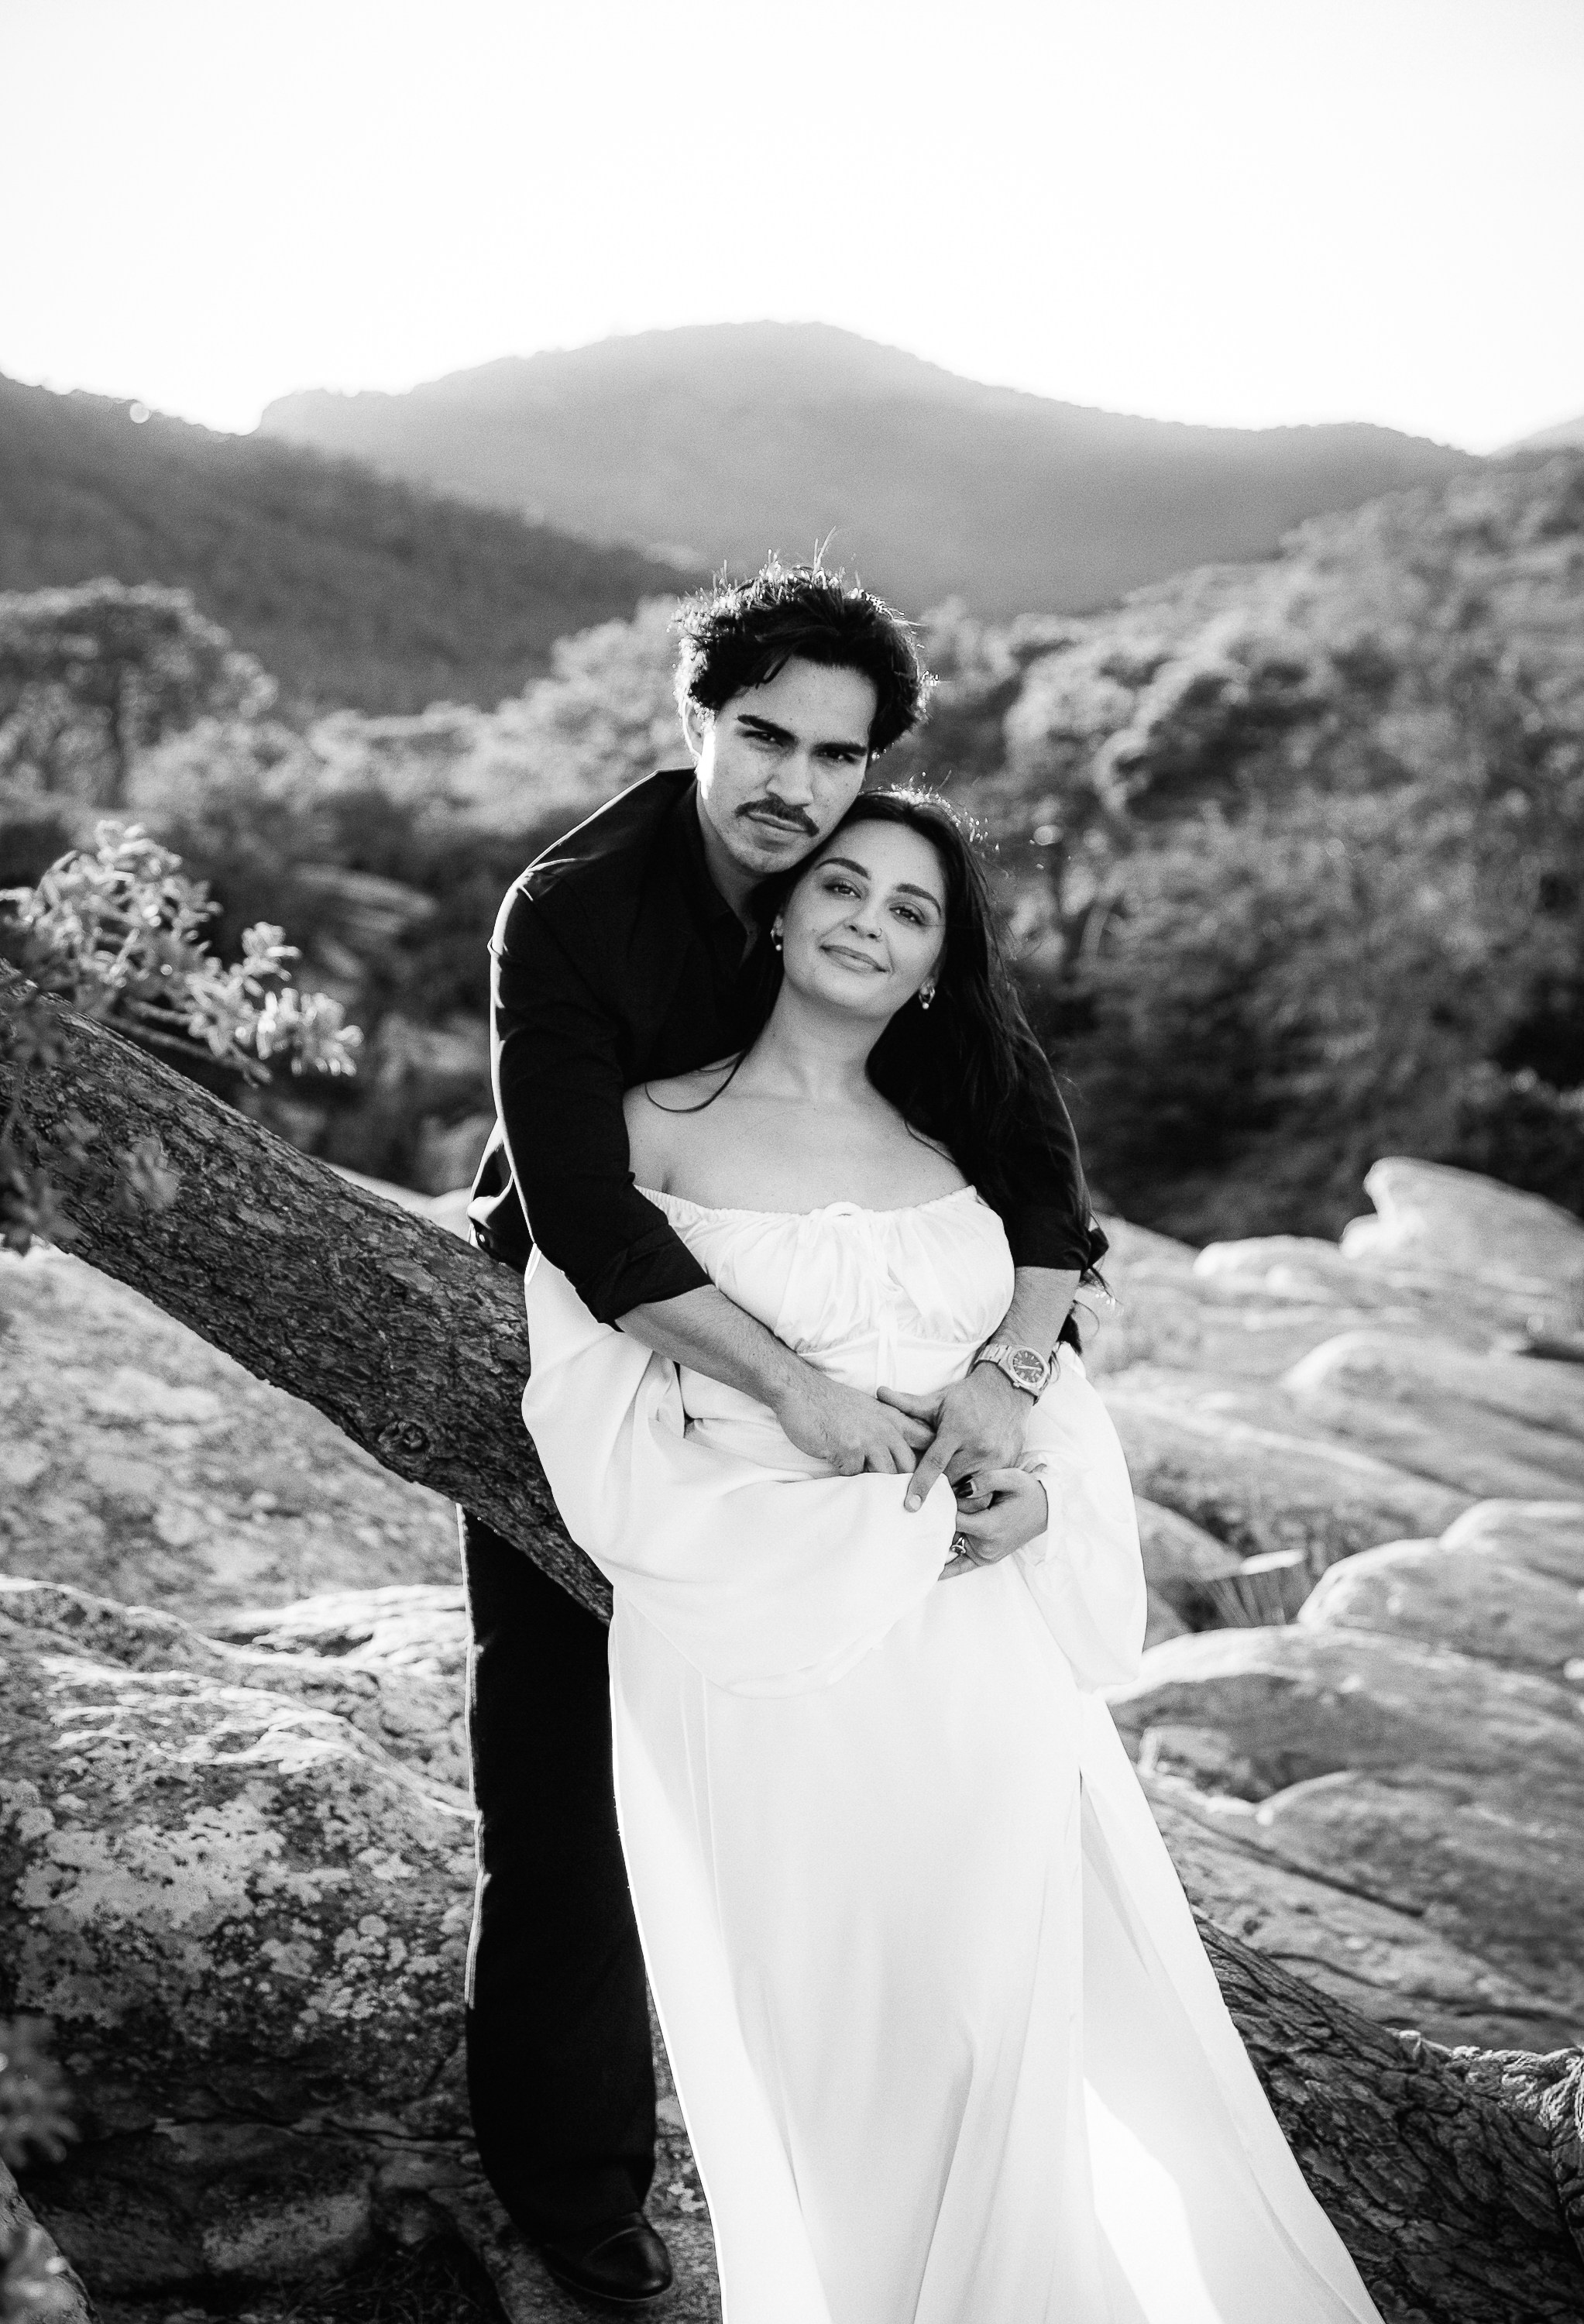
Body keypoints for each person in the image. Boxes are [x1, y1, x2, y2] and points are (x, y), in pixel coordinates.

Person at [520, 789, 1388, 2324]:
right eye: (842, 886)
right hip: (774, 1657)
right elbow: (598, 1401)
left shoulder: (956, 1143)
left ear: (935, 961)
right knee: (849, 2048)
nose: (868, 918)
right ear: (779, 912)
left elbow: (1038, 1380)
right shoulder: (644, 1130)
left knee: (1012, 2034)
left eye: (911, 909)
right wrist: (830, 1487)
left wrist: (1034, 1491)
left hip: (981, 1663)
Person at [462, 562, 1105, 2303]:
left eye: (835, 755)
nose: (794, 786)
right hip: (614, 1349)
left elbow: (1045, 1184)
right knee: (564, 1771)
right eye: (762, 737)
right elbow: (590, 1228)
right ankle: (573, 2198)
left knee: (901, 1780)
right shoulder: (576, 909)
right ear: (694, 721)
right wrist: (797, 1390)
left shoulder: (874, 887)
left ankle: (930, 2157)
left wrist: (1009, 1381)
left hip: (856, 1371)